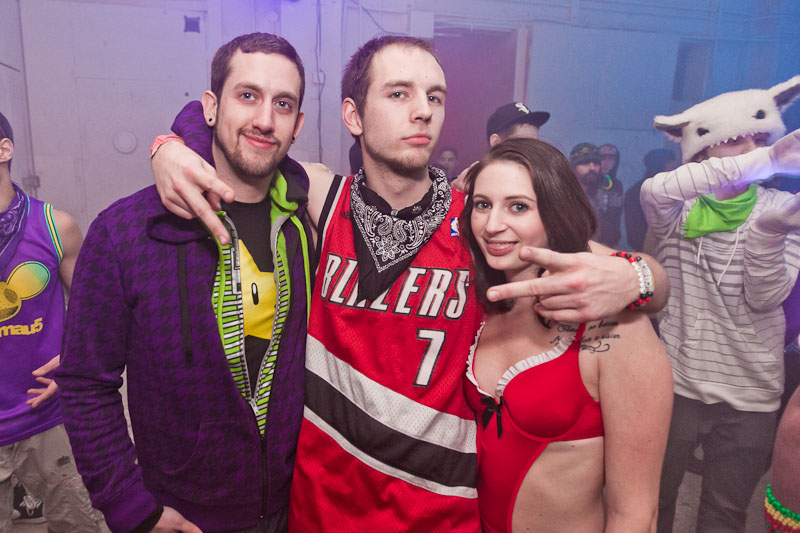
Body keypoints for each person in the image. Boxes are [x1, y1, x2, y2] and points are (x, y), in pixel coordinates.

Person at [151, 35, 671, 530]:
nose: (423, 110)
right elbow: (248, 139)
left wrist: (641, 277)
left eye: (434, 96)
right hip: (318, 512)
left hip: (438, 516)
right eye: (399, 94)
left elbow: (620, 268)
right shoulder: (321, 198)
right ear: (353, 116)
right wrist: (170, 145)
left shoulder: (480, 219)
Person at [56, 33, 313, 533]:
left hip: (291, 507)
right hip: (181, 514)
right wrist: (127, 504)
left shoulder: (305, 225)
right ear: (210, 108)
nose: (265, 119)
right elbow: (86, 382)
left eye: (282, 104)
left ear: (298, 125)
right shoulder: (125, 230)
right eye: (248, 95)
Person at [461, 137, 672, 532]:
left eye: (518, 206)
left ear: (555, 211)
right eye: (483, 204)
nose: (491, 225)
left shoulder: (615, 327)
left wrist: (641, 276)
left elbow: (635, 514)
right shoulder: (485, 300)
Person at [642, 75, 800, 532]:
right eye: (735, 141)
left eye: (759, 141)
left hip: (752, 392)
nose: (750, 150)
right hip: (676, 383)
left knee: (724, 516)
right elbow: (653, 191)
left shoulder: (782, 207)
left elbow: (765, 297)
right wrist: (765, 160)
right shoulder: (678, 209)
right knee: (653, 502)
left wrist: (769, 234)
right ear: (701, 154)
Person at [0, 112, 104, 531]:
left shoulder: (56, 226)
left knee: (80, 524)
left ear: (4, 149)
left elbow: (94, 314)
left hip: (46, 415)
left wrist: (75, 363)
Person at [570, 142, 624, 247]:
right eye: (585, 162)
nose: (592, 167)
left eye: (596, 163)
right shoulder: (563, 192)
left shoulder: (598, 192)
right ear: (573, 166)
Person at [624, 148, 677, 251]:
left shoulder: (674, 190)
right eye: (670, 164)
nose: (673, 169)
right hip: (647, 252)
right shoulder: (636, 192)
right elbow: (634, 233)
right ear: (660, 164)